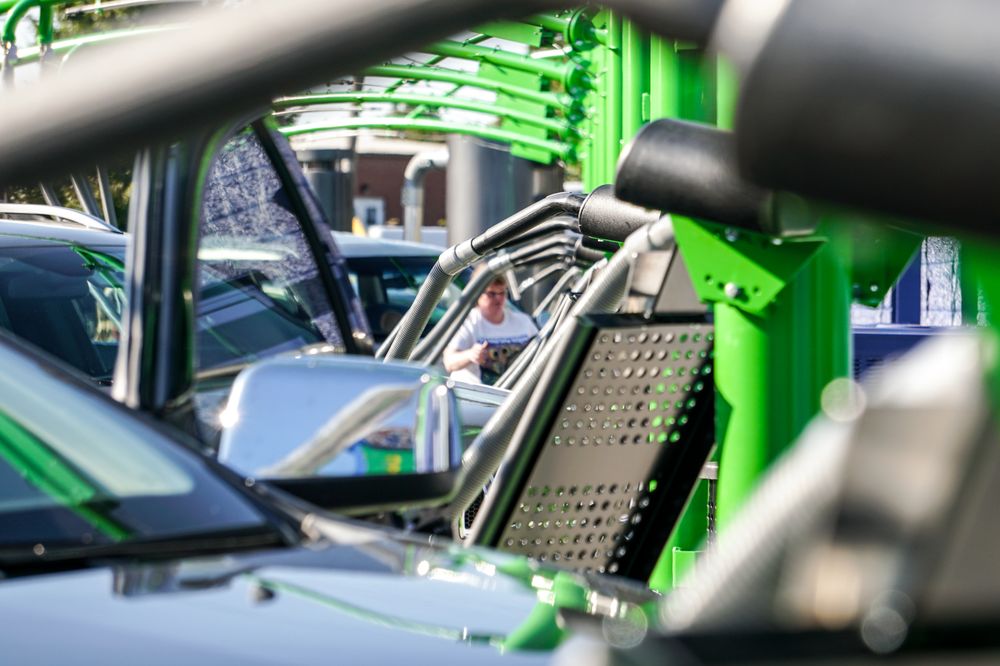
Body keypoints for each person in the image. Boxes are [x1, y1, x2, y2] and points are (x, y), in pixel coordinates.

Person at [443, 274, 538, 385]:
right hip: (474, 393)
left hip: (517, 391)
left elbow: (542, 351)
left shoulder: (523, 321)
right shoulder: (467, 322)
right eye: (491, 294)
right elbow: (449, 362)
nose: (499, 299)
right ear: (477, 295)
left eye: (502, 293)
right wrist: (470, 355)